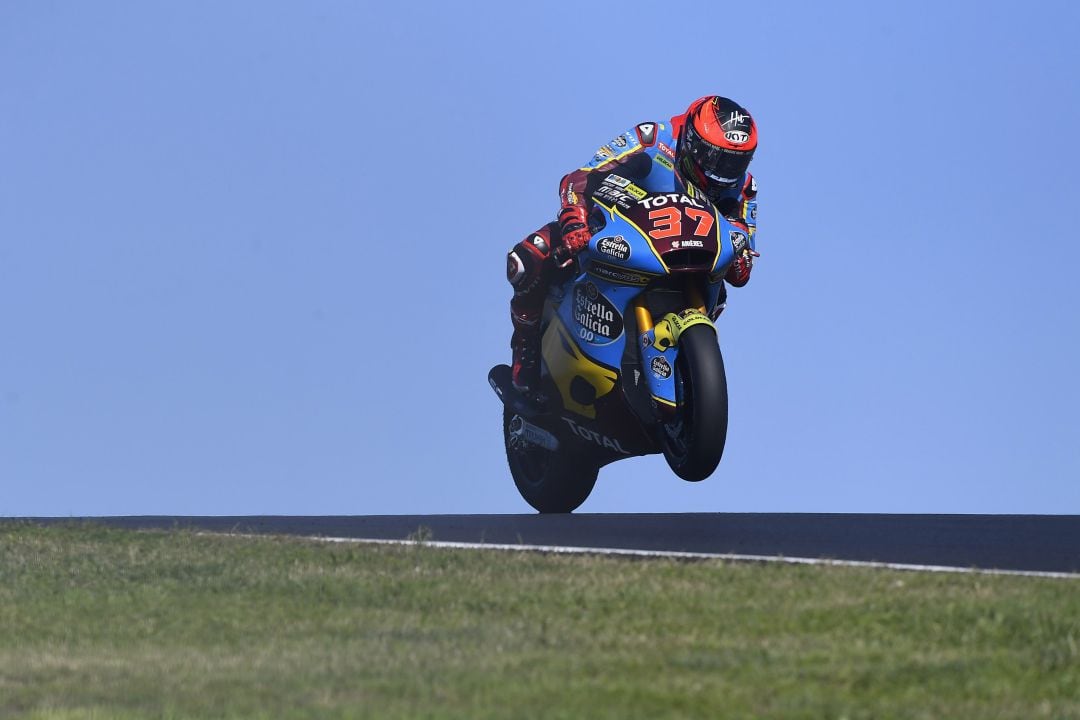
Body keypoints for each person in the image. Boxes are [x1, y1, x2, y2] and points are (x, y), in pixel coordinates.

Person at [505, 95, 760, 394]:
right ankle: (526, 350)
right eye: (716, 158)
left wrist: (742, 254)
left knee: (723, 291)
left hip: (692, 261)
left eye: (736, 162)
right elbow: (581, 178)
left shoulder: (743, 185)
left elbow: (742, 257)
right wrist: (575, 221)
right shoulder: (654, 139)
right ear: (691, 140)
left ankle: (686, 373)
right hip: (625, 236)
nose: (724, 172)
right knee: (526, 258)